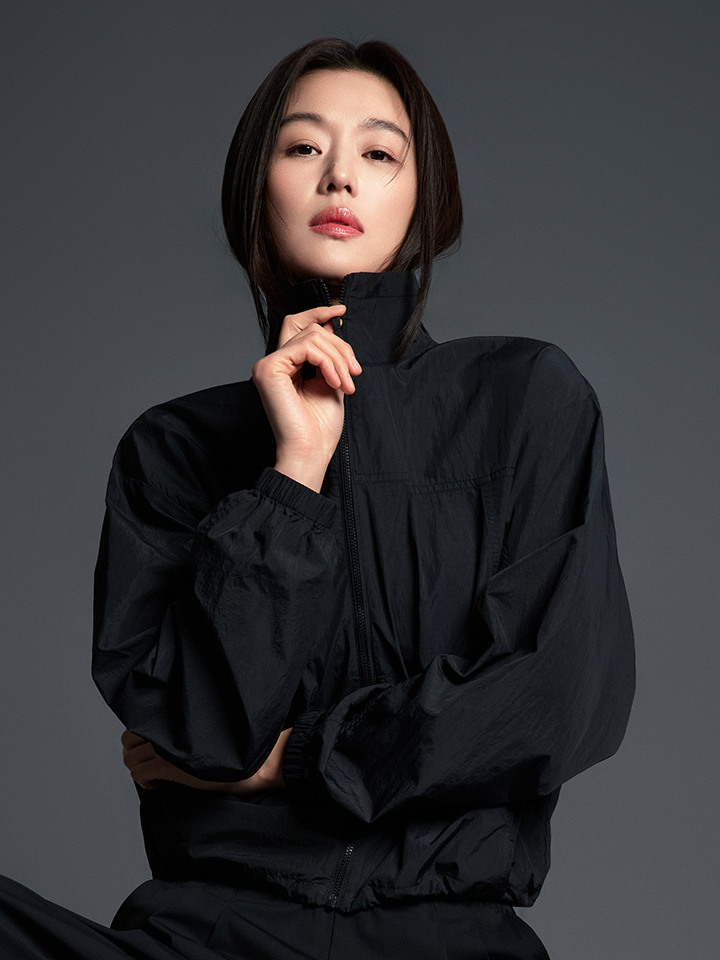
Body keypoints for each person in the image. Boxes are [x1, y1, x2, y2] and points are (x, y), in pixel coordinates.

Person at [0, 37, 635, 960]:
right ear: (254, 189)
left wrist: (292, 761)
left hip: (446, 941)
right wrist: (294, 472)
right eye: (303, 147)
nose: (339, 175)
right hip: (211, 934)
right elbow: (200, 734)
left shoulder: (525, 400)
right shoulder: (170, 451)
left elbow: (551, 697)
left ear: (424, 202)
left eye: (378, 152)